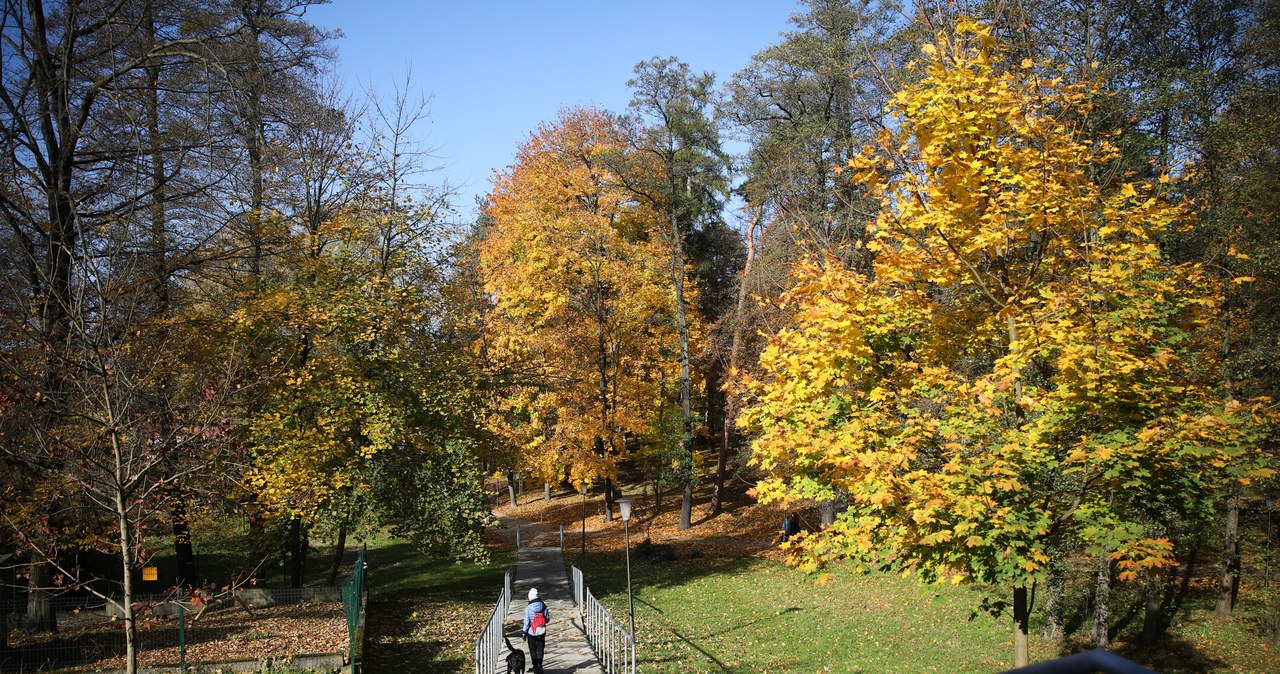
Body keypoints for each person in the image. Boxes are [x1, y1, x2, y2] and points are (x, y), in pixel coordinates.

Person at [523, 587, 550, 674]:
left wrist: (524, 632)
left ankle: (535, 666)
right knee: (540, 648)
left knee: (532, 649)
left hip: (531, 632)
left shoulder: (528, 608)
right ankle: (540, 665)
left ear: (530, 597)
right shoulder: (543, 605)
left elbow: (526, 622)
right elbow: (547, 619)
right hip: (541, 631)